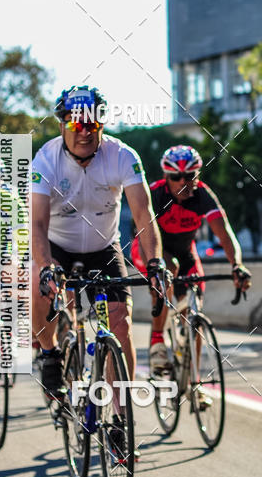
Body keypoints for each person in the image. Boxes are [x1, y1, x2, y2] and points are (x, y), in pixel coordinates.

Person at [32, 85, 167, 411]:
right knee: (37, 289)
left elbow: (143, 215)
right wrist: (47, 267)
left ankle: (121, 417)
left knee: (120, 323)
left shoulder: (122, 156)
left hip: (104, 246)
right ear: (62, 125)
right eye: (76, 124)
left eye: (91, 124)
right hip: (57, 245)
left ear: (102, 125)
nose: (84, 132)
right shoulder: (44, 160)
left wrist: (155, 263)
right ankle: (49, 352)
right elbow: (35, 224)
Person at [130, 144, 251, 376]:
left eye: (190, 175)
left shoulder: (203, 195)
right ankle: (157, 342)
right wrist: (155, 267)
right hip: (150, 249)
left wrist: (237, 265)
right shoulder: (155, 194)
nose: (183, 181)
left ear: (198, 175)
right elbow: (143, 234)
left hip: (186, 251)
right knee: (167, 270)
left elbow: (225, 235)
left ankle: (194, 381)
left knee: (194, 307)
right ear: (167, 176)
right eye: (176, 177)